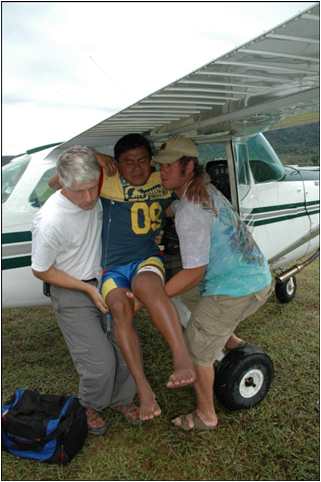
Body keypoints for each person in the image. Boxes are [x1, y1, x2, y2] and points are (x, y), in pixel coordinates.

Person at [153, 135, 273, 431]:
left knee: (195, 347)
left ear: (189, 167)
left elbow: (194, 271)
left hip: (237, 290)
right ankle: (229, 340)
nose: (162, 172)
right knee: (190, 297)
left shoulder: (191, 211)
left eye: (169, 166)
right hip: (256, 277)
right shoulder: (203, 190)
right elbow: (187, 212)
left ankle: (206, 415)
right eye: (160, 166)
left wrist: (153, 297)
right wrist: (171, 210)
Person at [31, 146, 138, 435]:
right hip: (72, 289)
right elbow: (41, 269)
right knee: (99, 362)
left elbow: (85, 171)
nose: (90, 198)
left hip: (107, 280)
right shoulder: (50, 220)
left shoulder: (92, 188)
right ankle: (91, 404)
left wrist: (95, 154)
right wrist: (87, 290)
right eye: (80, 192)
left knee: (124, 343)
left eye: (93, 188)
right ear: (63, 184)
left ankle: (121, 399)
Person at [99, 134, 197, 421]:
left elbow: (190, 182)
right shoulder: (107, 181)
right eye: (128, 162)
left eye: (143, 160)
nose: (137, 168)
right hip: (112, 266)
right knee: (119, 309)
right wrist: (93, 154)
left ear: (151, 161)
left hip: (146, 258)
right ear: (116, 164)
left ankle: (181, 357)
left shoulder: (161, 180)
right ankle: (144, 391)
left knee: (148, 286)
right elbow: (58, 180)